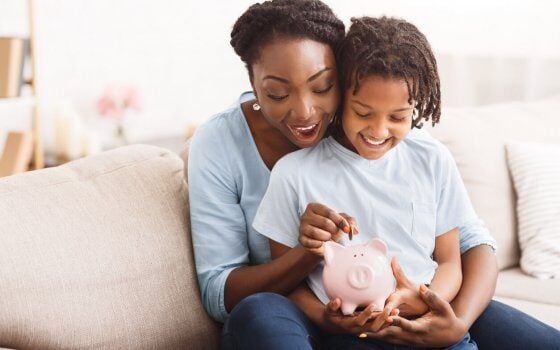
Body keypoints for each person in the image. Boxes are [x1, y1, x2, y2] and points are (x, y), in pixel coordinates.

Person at [187, 1, 560, 349]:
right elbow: (219, 289)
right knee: (261, 310)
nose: (304, 112)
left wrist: (455, 317)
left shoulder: (403, 141)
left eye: (322, 86)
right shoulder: (234, 148)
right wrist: (310, 255)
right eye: (277, 92)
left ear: (344, 76)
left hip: (417, 300)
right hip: (308, 314)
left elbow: (465, 243)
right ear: (253, 82)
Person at [253, 15, 477, 349]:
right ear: (341, 96)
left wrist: (423, 299)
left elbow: (449, 262)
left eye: (398, 117)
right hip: (352, 333)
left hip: (428, 327)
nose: (378, 131)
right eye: (362, 112)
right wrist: (324, 317)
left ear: (415, 108)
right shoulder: (295, 173)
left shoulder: (432, 159)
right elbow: (288, 281)